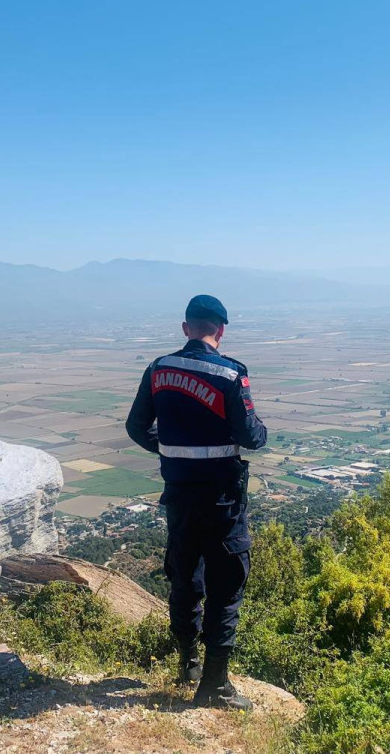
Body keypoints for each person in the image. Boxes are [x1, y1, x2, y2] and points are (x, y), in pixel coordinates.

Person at [125, 294, 267, 711]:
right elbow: (250, 436)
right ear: (220, 331)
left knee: (185, 576)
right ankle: (215, 685)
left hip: (179, 496)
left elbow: (136, 426)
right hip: (222, 500)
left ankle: (186, 663)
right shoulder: (230, 373)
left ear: (186, 328)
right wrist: (262, 432)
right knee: (227, 583)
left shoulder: (159, 369)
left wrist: (169, 450)